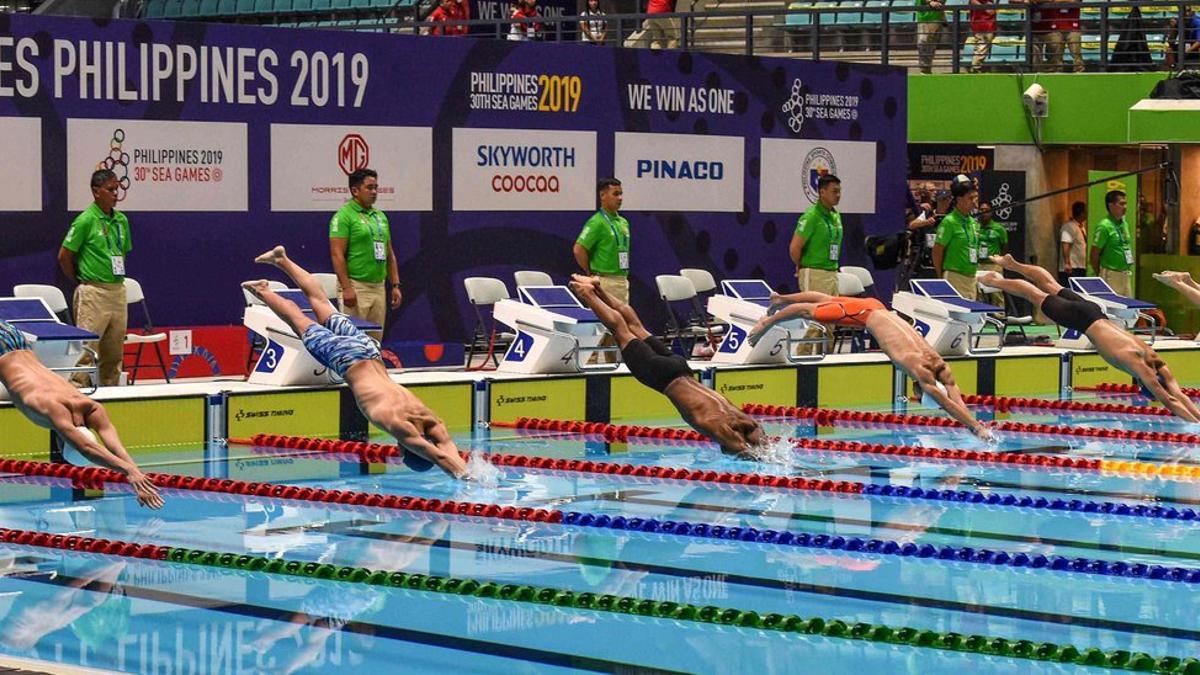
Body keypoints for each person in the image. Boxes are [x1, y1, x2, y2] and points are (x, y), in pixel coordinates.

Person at [245, 246, 468, 479]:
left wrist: (470, 469)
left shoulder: (430, 419)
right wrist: (466, 479)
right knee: (298, 320)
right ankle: (263, 290)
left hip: (370, 351)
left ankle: (282, 259)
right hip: (347, 359)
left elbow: (447, 448)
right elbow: (441, 458)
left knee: (321, 302)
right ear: (407, 449)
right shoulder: (399, 428)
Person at [981, 255, 1200, 422]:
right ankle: (995, 280)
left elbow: (1178, 393)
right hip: (1082, 321)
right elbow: (1170, 401)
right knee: (1035, 295)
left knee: (1052, 286)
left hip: (1095, 312)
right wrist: (1194, 425)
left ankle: (1014, 265)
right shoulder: (1139, 367)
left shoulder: (1153, 358)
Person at [748, 292, 993, 439]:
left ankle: (780, 298)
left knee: (827, 301)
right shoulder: (918, 368)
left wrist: (974, 423)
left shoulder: (939, 363)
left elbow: (954, 394)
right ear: (920, 389)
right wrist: (976, 428)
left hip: (877, 308)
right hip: (865, 315)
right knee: (807, 311)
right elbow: (948, 401)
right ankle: (769, 319)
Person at [568, 274, 765, 455]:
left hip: (681, 369)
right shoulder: (734, 423)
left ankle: (598, 290)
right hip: (662, 377)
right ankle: (588, 294)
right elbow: (743, 451)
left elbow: (753, 444)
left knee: (634, 326)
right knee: (621, 330)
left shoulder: (741, 421)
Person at [0, 322, 163, 508]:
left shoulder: (90, 406)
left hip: (19, 343)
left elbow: (114, 446)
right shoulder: (55, 410)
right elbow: (87, 448)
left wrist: (135, 472)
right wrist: (130, 471)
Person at [58, 169, 131, 387]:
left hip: (117, 291)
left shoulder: (121, 221)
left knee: (114, 352)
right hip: (93, 292)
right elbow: (64, 256)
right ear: (96, 192)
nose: (115, 194)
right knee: (86, 352)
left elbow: (122, 252)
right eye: (110, 189)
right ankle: (78, 394)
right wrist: (81, 281)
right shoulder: (85, 220)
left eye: (117, 189)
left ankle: (112, 395)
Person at [329, 168, 401, 339]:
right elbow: (336, 254)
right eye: (369, 187)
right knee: (354, 342)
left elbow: (389, 252)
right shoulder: (343, 217)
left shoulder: (380, 216)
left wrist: (396, 285)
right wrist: (347, 288)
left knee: (375, 342)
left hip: (378, 287)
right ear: (355, 190)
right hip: (356, 287)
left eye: (376, 187)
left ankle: (373, 367)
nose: (374, 192)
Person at [790, 174, 843, 352]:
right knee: (814, 323)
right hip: (814, 273)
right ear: (822, 192)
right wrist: (801, 267)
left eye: (839, 191)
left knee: (830, 323)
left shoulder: (835, 217)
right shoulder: (811, 216)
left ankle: (825, 363)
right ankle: (803, 365)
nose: (838, 195)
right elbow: (795, 247)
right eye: (834, 191)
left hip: (832, 273)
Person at [574, 178, 630, 304]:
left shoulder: (623, 222)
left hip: (622, 280)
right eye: (615, 194)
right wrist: (589, 271)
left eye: (621, 194)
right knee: (606, 322)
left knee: (624, 321)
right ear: (603, 196)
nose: (620, 198)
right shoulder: (597, 222)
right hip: (604, 281)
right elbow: (578, 249)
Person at [933, 175, 983, 300]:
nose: (974, 201)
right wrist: (940, 276)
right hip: (954, 277)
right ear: (959, 199)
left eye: (975, 198)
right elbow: (937, 251)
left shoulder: (972, 222)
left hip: (971, 278)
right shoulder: (949, 221)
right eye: (970, 198)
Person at [1090, 189, 1134, 297]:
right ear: (1111, 205)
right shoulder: (1104, 226)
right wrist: (1100, 273)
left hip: (1125, 274)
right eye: (1121, 204)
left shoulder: (1124, 224)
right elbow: (1094, 255)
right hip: (1110, 275)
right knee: (1112, 309)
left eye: (1126, 204)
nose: (1125, 207)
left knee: (1129, 310)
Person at [976, 201, 1007, 308]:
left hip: (994, 265)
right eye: (981, 210)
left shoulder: (999, 228)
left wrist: (998, 260)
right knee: (978, 292)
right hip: (978, 264)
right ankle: (981, 316)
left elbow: (1004, 246)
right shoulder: (975, 227)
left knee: (996, 292)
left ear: (991, 212)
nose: (983, 212)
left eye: (986, 210)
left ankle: (1000, 316)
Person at [1059, 200, 1087, 285]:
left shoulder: (1081, 227)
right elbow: (1065, 244)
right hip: (1072, 268)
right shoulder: (1068, 227)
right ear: (1081, 213)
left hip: (1081, 266)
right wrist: (1067, 263)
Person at [916, 0, 946, 74]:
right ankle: (924, 69)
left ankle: (927, 69)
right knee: (924, 43)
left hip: (938, 17)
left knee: (931, 46)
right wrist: (930, 2)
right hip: (925, 17)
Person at [968, 0, 997, 73]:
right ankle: (975, 68)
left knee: (982, 45)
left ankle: (976, 67)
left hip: (989, 22)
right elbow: (973, 1)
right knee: (982, 45)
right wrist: (985, 8)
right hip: (981, 22)